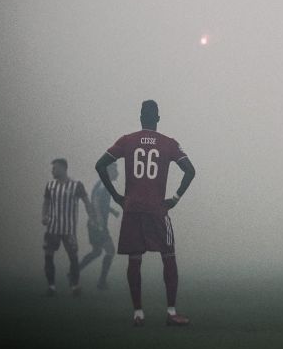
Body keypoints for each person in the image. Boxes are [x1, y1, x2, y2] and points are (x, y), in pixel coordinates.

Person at [95, 100, 196, 327]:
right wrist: (175, 199)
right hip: (157, 209)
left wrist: (117, 196)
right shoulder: (168, 143)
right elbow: (190, 170)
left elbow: (100, 165)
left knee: (135, 258)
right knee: (168, 255)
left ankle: (138, 314)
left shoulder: (127, 140)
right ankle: (171, 313)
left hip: (132, 209)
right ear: (158, 118)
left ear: (140, 117)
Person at [42, 158, 94, 297]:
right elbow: (46, 202)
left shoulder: (76, 185)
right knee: (48, 256)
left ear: (64, 169)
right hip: (52, 228)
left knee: (73, 257)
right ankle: (51, 286)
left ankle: (75, 286)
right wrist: (44, 216)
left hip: (68, 229)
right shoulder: (50, 185)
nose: (52, 170)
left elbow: (86, 201)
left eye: (55, 168)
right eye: (53, 168)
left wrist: (92, 217)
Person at [78, 162, 121, 289]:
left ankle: (74, 273)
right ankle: (101, 282)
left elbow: (101, 203)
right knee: (110, 251)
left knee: (97, 252)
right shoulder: (104, 184)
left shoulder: (104, 184)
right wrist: (99, 220)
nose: (117, 173)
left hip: (95, 224)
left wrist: (112, 211)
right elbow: (96, 201)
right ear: (109, 171)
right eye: (115, 170)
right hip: (98, 225)